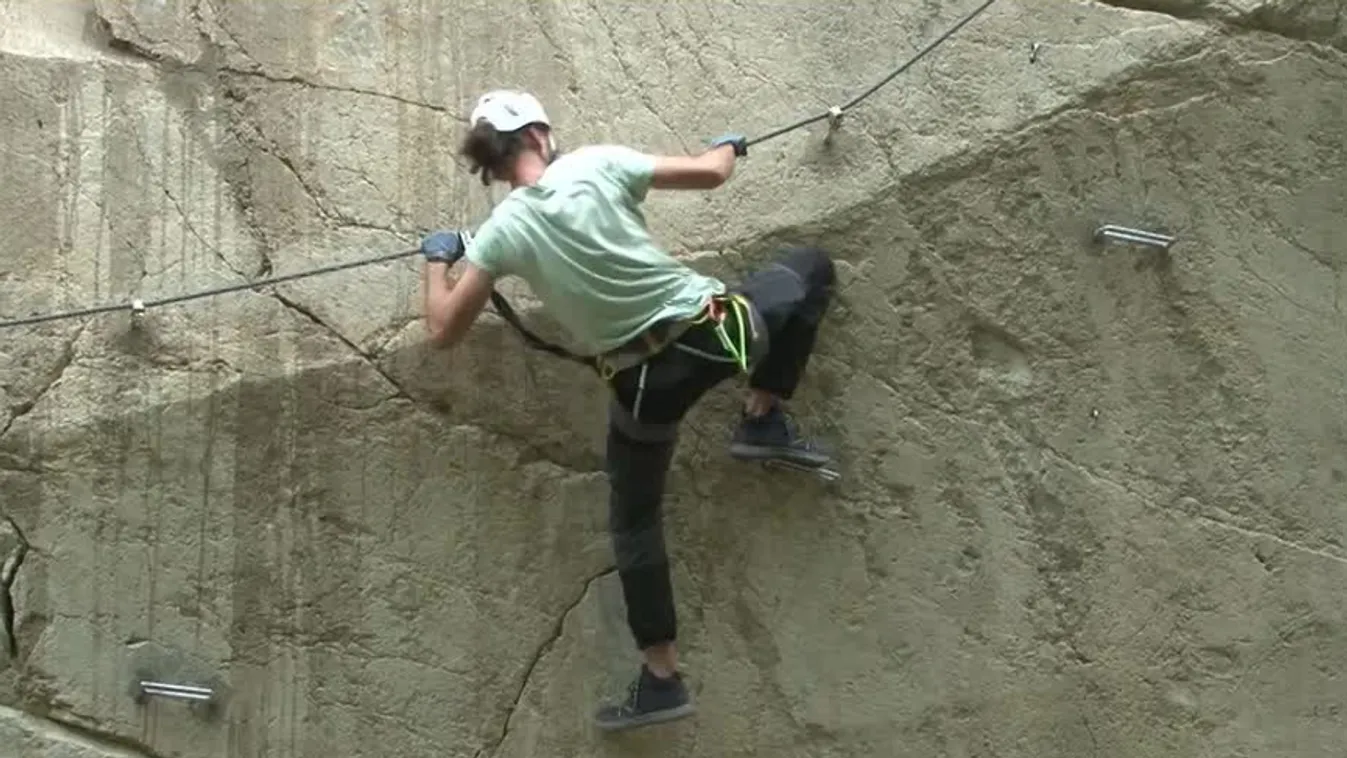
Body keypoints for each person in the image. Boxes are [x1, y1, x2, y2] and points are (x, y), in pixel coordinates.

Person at [419, 90, 836, 732]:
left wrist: (437, 260)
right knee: (810, 269)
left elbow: (443, 328)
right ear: (538, 134)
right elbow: (711, 172)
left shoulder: (499, 235)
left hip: (644, 386)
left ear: (495, 163)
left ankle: (662, 676)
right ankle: (761, 414)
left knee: (635, 522)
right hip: (716, 334)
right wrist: (730, 144)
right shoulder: (592, 164)